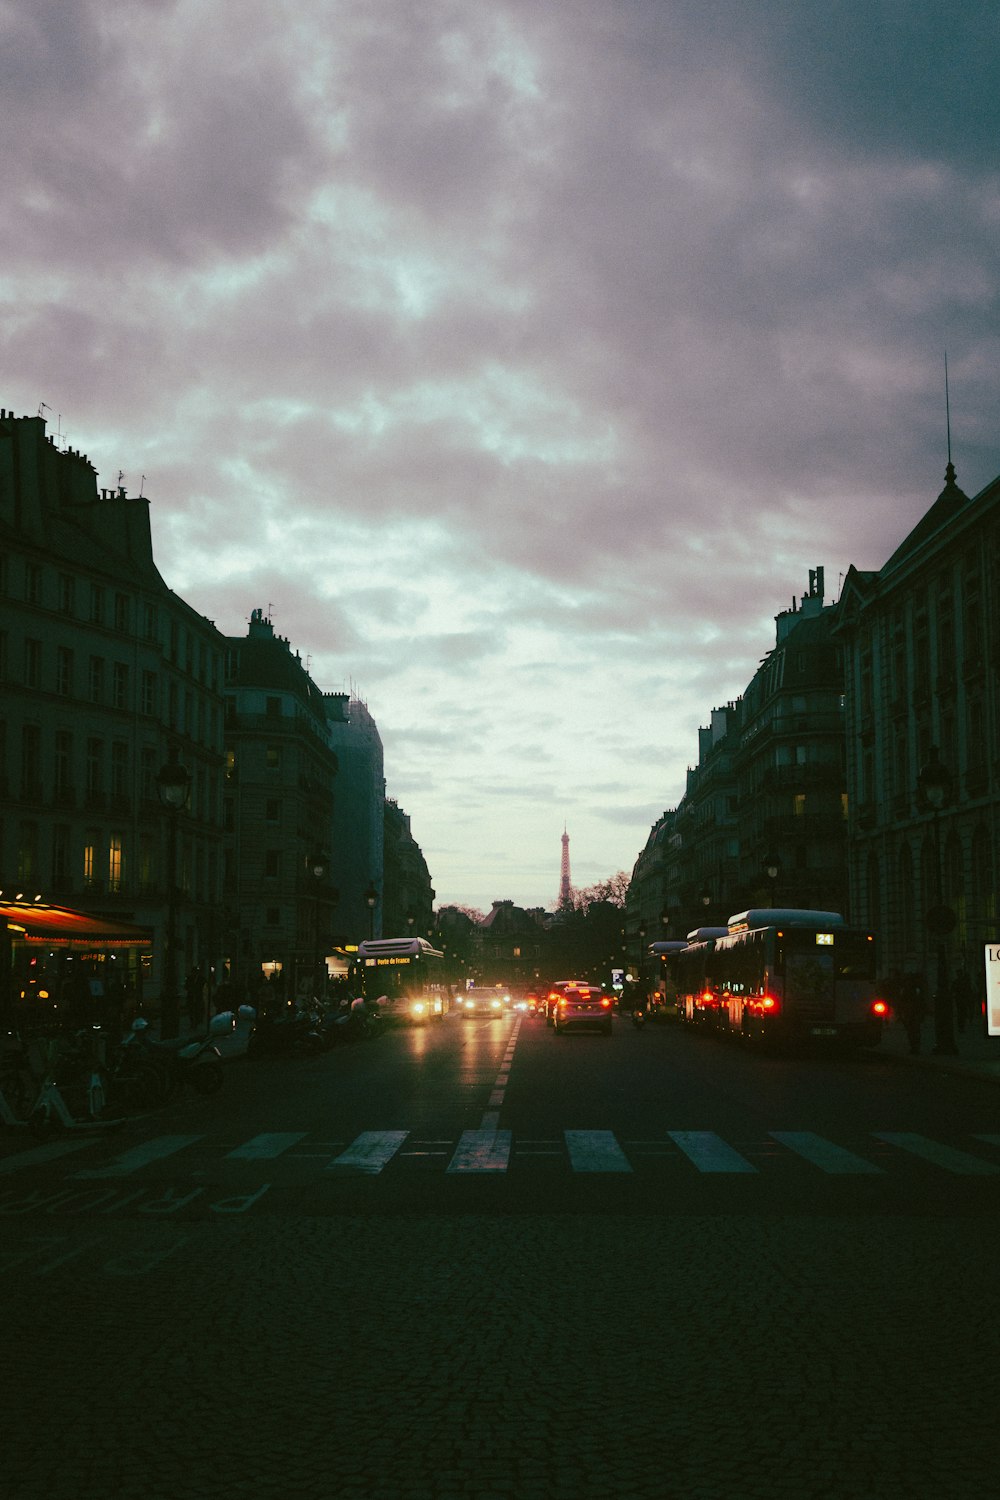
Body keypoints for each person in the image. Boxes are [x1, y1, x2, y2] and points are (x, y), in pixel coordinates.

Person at [897, 971, 927, 1056]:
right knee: (914, 1030)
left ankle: (914, 1047)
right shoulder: (917, 989)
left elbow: (902, 1001)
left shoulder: (907, 989)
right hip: (913, 1012)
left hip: (910, 1012)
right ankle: (915, 1047)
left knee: (912, 1030)